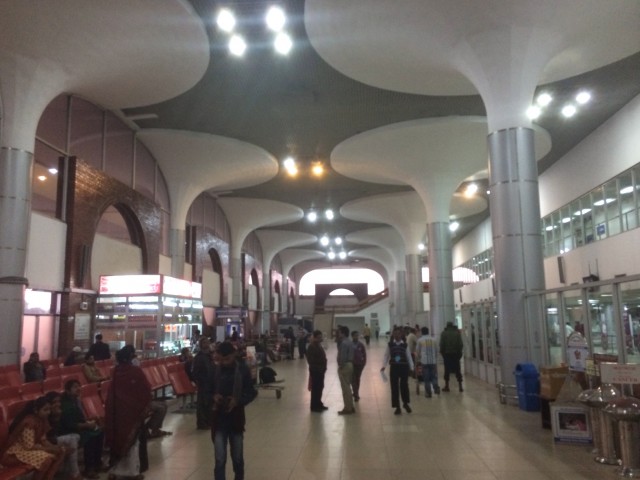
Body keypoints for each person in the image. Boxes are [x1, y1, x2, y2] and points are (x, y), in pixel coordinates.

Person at [210, 341, 258, 480]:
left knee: (237, 458)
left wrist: (237, 401)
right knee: (220, 459)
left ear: (234, 355)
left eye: (227, 359)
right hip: (219, 420)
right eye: (221, 359)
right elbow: (206, 391)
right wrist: (214, 396)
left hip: (236, 419)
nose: (224, 362)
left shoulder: (242, 369)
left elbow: (251, 392)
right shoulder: (215, 370)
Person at [105, 346, 152, 480]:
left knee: (118, 441)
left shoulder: (115, 372)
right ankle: (132, 472)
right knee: (132, 442)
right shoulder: (136, 372)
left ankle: (115, 470)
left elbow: (112, 392)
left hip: (117, 412)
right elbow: (146, 390)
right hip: (133, 413)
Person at [1, 396, 66, 480]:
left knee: (60, 452)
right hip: (16, 451)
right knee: (47, 459)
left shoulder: (42, 420)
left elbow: (43, 440)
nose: (48, 413)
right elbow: (29, 446)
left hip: (31, 448)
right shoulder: (29, 422)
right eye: (45, 410)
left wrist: (55, 448)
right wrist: (50, 449)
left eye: (49, 410)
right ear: (36, 410)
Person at [59, 379, 105, 479]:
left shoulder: (76, 401)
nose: (78, 388)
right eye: (75, 387)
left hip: (79, 427)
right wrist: (87, 425)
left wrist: (90, 420)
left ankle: (98, 463)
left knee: (99, 432)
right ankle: (89, 468)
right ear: (67, 391)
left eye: (79, 386)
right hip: (68, 431)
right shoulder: (65, 404)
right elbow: (70, 424)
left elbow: (80, 418)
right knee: (89, 436)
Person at [44, 390, 82, 480]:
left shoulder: (57, 412)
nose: (57, 404)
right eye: (54, 402)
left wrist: (57, 417)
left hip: (54, 438)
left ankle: (68, 471)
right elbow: (49, 435)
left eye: (58, 401)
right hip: (45, 441)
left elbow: (57, 432)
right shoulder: (45, 412)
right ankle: (74, 474)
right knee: (72, 440)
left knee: (76, 437)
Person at [380, 326, 414, 415]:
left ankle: (405, 403)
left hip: (404, 368)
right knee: (394, 387)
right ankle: (397, 407)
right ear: (393, 335)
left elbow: (409, 357)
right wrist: (383, 366)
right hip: (394, 368)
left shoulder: (405, 345)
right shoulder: (390, 345)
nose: (397, 335)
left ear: (401, 334)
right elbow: (386, 356)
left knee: (404, 386)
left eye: (398, 333)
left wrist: (412, 368)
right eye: (395, 334)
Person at [192, 336, 214, 430]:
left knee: (209, 403)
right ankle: (202, 422)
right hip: (203, 383)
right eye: (204, 343)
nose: (207, 344)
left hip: (210, 383)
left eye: (207, 343)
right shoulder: (199, 357)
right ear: (201, 345)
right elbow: (195, 372)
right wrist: (200, 381)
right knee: (202, 403)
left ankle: (208, 421)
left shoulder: (209, 356)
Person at [305, 330, 328, 412]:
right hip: (315, 371)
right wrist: (319, 366)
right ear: (314, 337)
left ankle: (319, 403)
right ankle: (314, 406)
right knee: (315, 388)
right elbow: (310, 360)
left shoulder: (318, 345)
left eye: (320, 337)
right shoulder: (311, 347)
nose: (320, 338)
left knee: (320, 387)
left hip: (321, 370)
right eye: (318, 337)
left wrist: (324, 367)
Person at [415, 327, 440, 397]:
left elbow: (417, 351)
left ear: (422, 332)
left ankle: (428, 393)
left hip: (424, 362)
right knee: (434, 376)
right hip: (433, 361)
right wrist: (434, 358)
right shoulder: (434, 340)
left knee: (426, 378)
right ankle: (435, 387)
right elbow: (436, 350)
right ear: (428, 331)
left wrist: (419, 358)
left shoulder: (420, 340)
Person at [335, 326, 355, 415]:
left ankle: (348, 408)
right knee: (348, 387)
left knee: (345, 389)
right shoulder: (349, 341)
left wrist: (340, 366)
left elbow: (342, 357)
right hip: (350, 364)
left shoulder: (344, 343)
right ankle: (350, 406)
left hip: (345, 366)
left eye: (339, 332)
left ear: (343, 333)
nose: (338, 334)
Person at [440, 321, 464, 392]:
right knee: (458, 370)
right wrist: (459, 354)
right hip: (455, 354)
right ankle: (460, 386)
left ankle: (447, 386)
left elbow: (442, 345)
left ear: (447, 326)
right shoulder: (457, 333)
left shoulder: (444, 333)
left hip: (447, 355)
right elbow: (460, 344)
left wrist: (442, 353)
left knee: (447, 370)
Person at [350, 331, 367, 402]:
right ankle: (356, 394)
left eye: (357, 335)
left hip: (359, 365)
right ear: (352, 336)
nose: (356, 337)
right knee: (353, 380)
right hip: (351, 365)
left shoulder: (361, 345)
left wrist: (363, 363)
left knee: (357, 379)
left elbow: (364, 354)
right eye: (355, 336)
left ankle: (356, 393)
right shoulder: (350, 345)